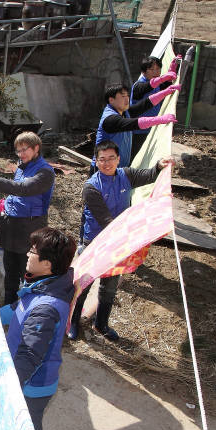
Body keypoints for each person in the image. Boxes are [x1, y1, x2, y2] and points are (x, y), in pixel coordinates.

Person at [68, 140, 174, 342]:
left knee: (109, 286)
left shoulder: (126, 175)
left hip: (119, 243)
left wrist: (160, 165)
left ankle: (101, 323)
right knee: (83, 285)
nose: (107, 163)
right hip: (95, 242)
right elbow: (106, 221)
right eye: (102, 159)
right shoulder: (91, 187)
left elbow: (150, 175)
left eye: (111, 158)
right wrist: (137, 227)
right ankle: (73, 321)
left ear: (118, 159)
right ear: (96, 161)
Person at [0, 227, 76, 430]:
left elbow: (29, 355)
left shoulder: (45, 309)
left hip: (31, 386)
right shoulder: (43, 286)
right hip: (26, 379)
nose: (27, 254)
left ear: (47, 264)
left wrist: (8, 388)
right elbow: (17, 310)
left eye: (32, 252)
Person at [0, 131, 55, 306]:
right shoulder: (22, 167)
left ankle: (30, 308)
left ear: (36, 148)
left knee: (29, 271)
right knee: (10, 269)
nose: (21, 154)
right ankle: (9, 304)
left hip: (30, 229)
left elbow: (22, 189)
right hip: (12, 228)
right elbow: (16, 195)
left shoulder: (45, 172)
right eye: (19, 150)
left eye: (25, 149)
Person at [93, 82, 179, 172]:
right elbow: (135, 123)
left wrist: (165, 92)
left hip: (118, 169)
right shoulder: (110, 119)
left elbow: (144, 105)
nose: (127, 99)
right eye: (122, 96)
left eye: (127, 96)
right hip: (103, 170)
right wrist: (160, 119)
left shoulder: (124, 112)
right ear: (111, 100)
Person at [130, 55, 180, 160]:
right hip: (137, 130)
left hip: (151, 127)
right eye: (151, 69)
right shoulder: (139, 86)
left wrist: (172, 69)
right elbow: (149, 86)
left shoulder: (157, 84)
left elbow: (165, 84)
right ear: (143, 72)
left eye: (158, 69)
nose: (155, 72)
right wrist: (164, 77)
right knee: (134, 157)